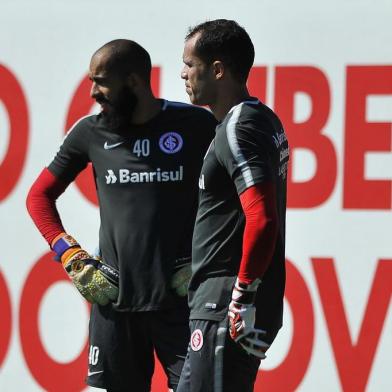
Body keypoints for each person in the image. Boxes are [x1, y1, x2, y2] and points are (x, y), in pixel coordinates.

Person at [26, 39, 216, 392]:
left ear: (133, 82)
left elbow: (234, 201)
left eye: (101, 82)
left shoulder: (195, 124)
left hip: (183, 303)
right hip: (115, 303)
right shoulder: (90, 131)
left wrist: (204, 258)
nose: (94, 92)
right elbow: (39, 197)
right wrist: (69, 254)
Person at [178, 20, 289, 392]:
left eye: (189, 64)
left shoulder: (239, 127)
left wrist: (242, 296)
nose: (183, 74)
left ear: (218, 69)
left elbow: (262, 218)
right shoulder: (257, 119)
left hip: (224, 306)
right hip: (221, 305)